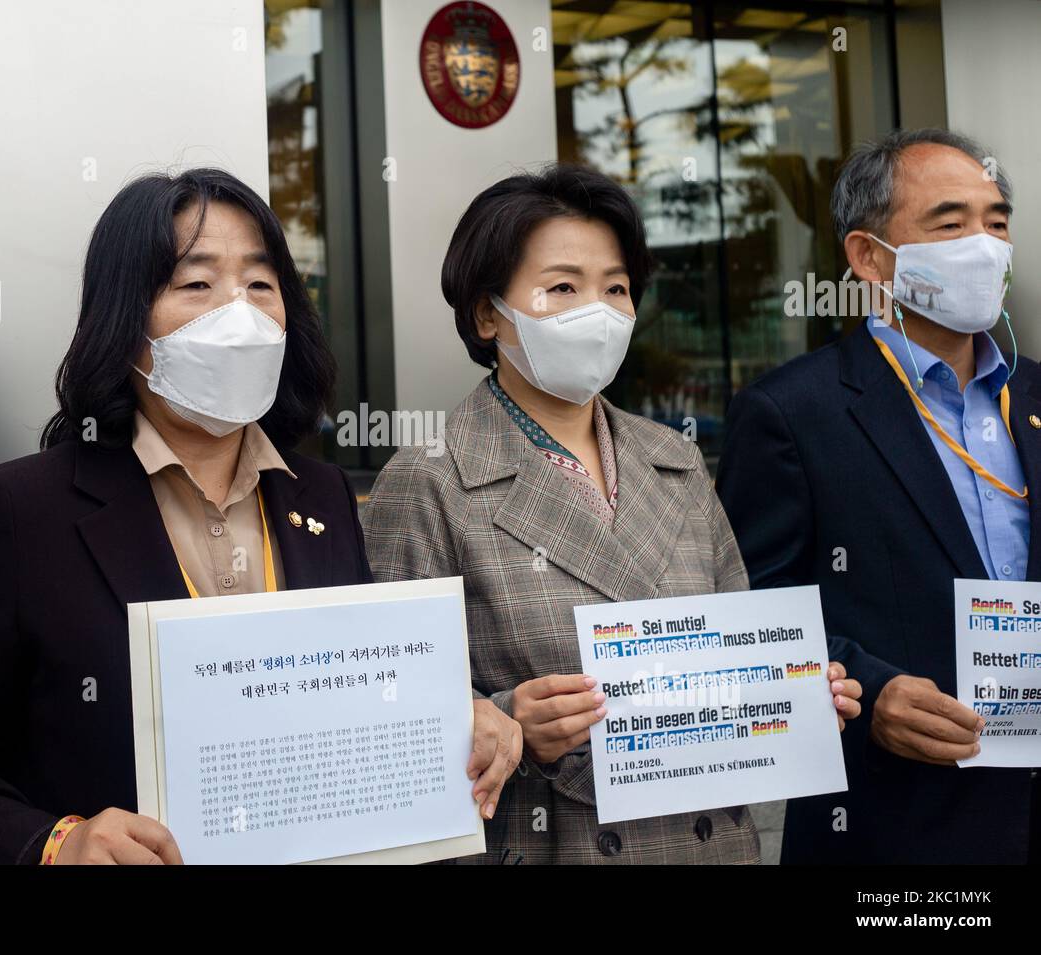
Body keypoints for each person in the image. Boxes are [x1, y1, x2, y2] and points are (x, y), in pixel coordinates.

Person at [0, 168, 520, 864]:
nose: (236, 313)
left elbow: (348, 700)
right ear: (124, 323)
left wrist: (452, 720)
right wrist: (57, 844)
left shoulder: (325, 497)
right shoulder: (21, 512)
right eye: (196, 285)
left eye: (260, 284)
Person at [363, 163, 862, 864]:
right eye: (562, 286)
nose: (596, 310)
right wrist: (507, 719)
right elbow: (384, 726)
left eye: (616, 288)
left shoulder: (677, 460)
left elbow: (734, 645)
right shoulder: (429, 480)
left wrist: (795, 690)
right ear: (486, 312)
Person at [717, 128, 1038, 864]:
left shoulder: (1036, 393)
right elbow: (749, 607)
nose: (984, 244)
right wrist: (870, 691)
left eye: (997, 221)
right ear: (868, 257)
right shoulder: (792, 411)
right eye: (951, 223)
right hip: (894, 823)